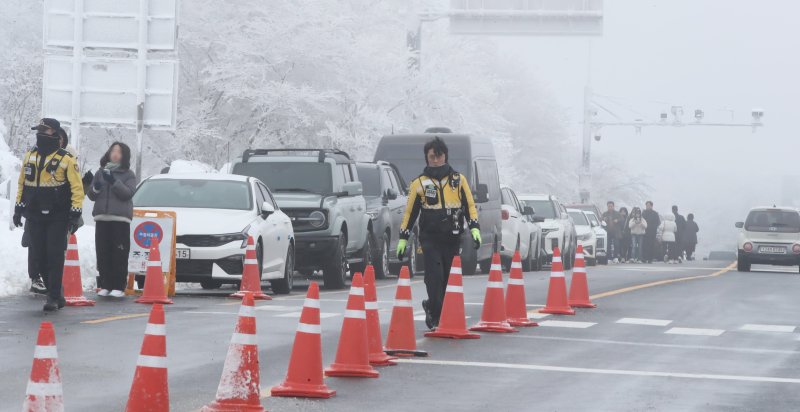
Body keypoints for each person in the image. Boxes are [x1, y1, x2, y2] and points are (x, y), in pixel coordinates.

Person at [397, 137, 481, 330]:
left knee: (447, 280)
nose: (436, 160)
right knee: (434, 278)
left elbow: (469, 206)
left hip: (451, 238)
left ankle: (437, 311)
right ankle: (435, 314)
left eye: (439, 156)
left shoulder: (458, 181)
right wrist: (403, 238)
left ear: (445, 156)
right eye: (432, 156)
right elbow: (410, 212)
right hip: (430, 238)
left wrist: (475, 228)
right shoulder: (419, 183)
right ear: (427, 158)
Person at [13, 118, 84, 311]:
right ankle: (56, 293)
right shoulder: (30, 155)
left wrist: (75, 213)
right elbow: (22, 183)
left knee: (54, 256)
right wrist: (18, 209)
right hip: (34, 213)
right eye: (39, 130)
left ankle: (53, 296)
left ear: (55, 133)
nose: (41, 133)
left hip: (57, 215)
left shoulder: (66, 159)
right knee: (39, 255)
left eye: (45, 130)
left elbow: (77, 188)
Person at [87, 142, 138, 298]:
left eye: (119, 152)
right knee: (102, 252)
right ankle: (105, 284)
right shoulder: (100, 172)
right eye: (113, 151)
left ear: (124, 156)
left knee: (119, 252)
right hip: (102, 217)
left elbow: (128, 193)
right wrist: (95, 186)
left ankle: (118, 285)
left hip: (120, 219)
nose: (115, 154)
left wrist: (113, 182)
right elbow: (91, 195)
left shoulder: (128, 174)